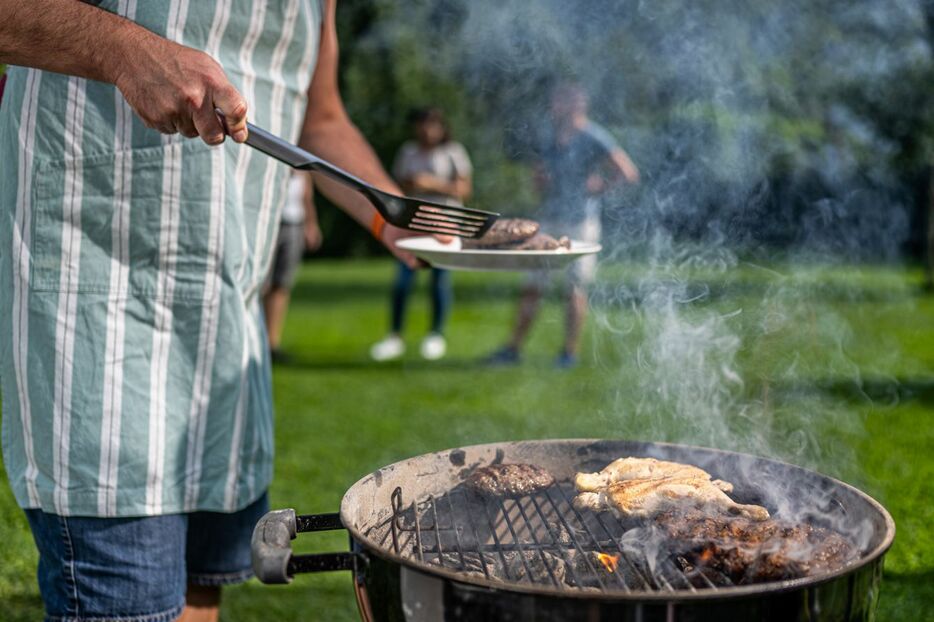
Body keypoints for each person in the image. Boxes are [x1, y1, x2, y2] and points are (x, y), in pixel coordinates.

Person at [0, 2, 425, 621]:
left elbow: (321, 116)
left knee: (202, 596)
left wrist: (397, 217)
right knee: (128, 601)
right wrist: (125, 50)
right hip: (92, 310)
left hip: (226, 332)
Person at [487, 82, 640, 368]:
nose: (555, 105)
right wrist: (540, 181)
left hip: (579, 223)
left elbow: (628, 173)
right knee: (532, 286)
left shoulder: (594, 136)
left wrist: (600, 187)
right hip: (548, 220)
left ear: (578, 103)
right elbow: (538, 174)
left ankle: (569, 353)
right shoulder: (548, 135)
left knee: (574, 289)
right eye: (555, 99)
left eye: (561, 100)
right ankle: (513, 349)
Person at [371, 107, 473, 361]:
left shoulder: (453, 152)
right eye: (423, 125)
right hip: (413, 227)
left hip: (446, 227)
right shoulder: (408, 152)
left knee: (439, 281)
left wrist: (431, 184)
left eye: (433, 125)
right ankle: (395, 336)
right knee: (402, 282)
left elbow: (464, 188)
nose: (427, 130)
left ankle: (435, 335)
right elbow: (397, 185)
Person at [264, 171, 321, 363]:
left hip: (294, 224)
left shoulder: (302, 167)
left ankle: (272, 343)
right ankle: (256, 340)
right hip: (269, 222)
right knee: (262, 285)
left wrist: (311, 223)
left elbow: (306, 196)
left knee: (282, 284)